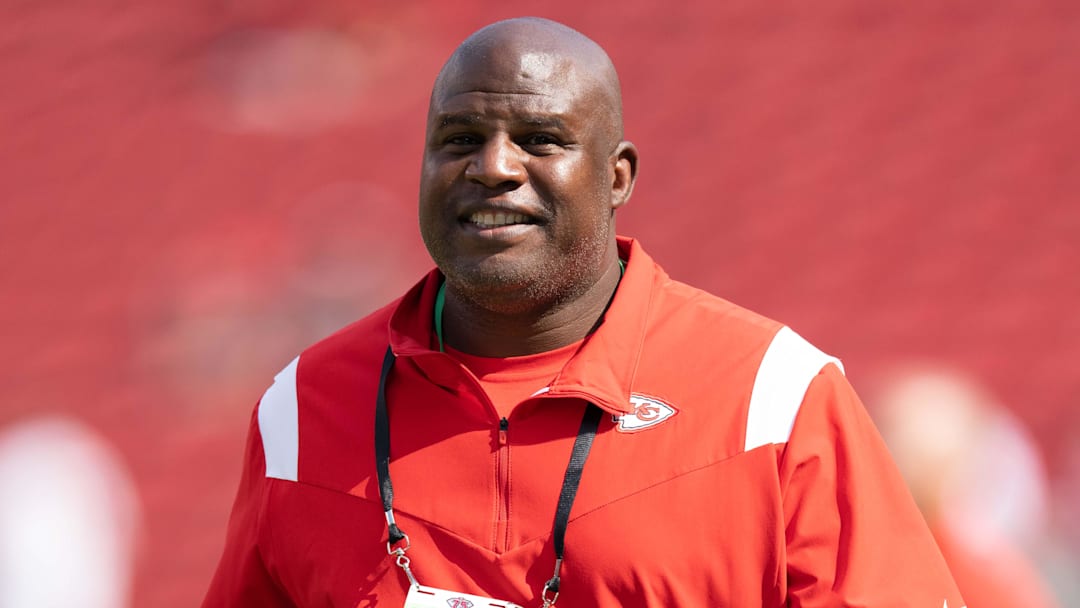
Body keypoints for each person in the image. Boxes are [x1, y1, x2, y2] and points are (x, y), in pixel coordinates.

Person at [203, 17, 966, 607]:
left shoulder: (774, 400)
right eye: (460, 139)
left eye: (540, 140)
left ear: (617, 176)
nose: (494, 167)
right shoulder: (301, 411)